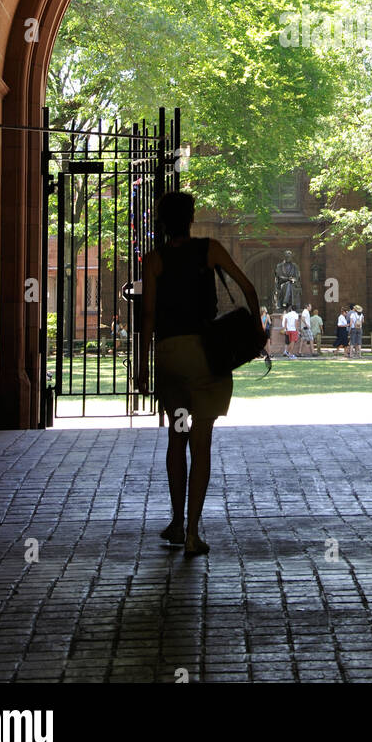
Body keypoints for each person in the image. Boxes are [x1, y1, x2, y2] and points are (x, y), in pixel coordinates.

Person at [137, 191, 261, 557]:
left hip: (171, 357)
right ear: (190, 219)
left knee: (177, 438)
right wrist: (255, 332)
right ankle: (192, 532)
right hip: (206, 357)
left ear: (162, 223)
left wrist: (143, 366)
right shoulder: (211, 249)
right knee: (201, 444)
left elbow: (147, 318)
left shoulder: (154, 260)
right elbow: (248, 289)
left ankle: (175, 521)